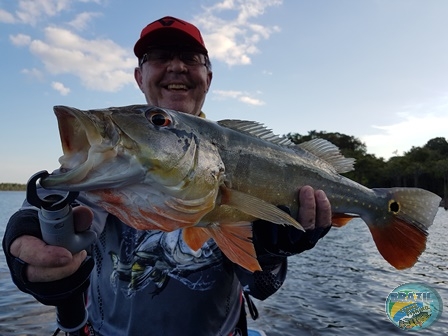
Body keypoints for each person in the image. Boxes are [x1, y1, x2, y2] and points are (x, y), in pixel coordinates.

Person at [3, 16, 332, 336]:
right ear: (139, 76)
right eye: (159, 56)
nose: (176, 66)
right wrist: (30, 248)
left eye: (191, 57)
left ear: (209, 77)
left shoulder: (246, 158)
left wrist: (274, 251)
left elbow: (261, 287)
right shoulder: (106, 165)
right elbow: (50, 213)